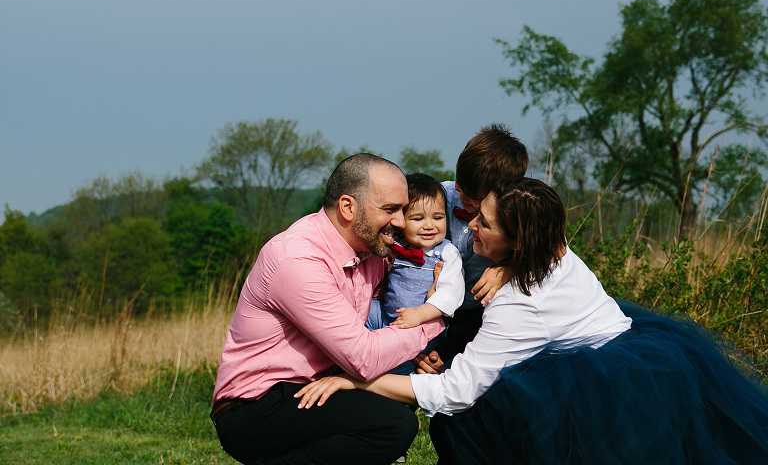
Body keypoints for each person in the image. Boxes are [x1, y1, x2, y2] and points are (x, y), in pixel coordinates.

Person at [295, 177, 768, 464]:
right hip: (625, 347)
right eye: (476, 215)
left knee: (465, 425)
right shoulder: (553, 248)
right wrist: (507, 265)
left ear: (519, 241)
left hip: (609, 386)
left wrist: (360, 380)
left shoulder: (520, 303)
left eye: (485, 224)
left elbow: (454, 393)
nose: (470, 228)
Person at [211, 154, 445, 465]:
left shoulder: (371, 251)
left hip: (312, 391)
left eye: (403, 209)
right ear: (348, 207)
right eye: (390, 209)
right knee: (390, 424)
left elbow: (390, 312)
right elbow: (363, 358)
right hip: (254, 405)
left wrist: (417, 354)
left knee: (394, 406)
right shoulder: (298, 259)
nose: (401, 222)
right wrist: (433, 319)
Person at [425, 124, 529, 371]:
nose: (462, 198)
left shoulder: (520, 212)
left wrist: (507, 268)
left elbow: (548, 250)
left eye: (473, 198)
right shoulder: (439, 196)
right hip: (429, 303)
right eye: (460, 187)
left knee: (459, 368)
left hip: (477, 313)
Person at [365, 173, 464, 375]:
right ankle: (354, 356)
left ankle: (394, 379)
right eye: (418, 218)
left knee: (402, 359)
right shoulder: (395, 246)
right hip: (387, 316)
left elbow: (450, 296)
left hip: (421, 326)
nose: (429, 225)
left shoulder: (446, 253)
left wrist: (418, 315)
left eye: (438, 217)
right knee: (361, 309)